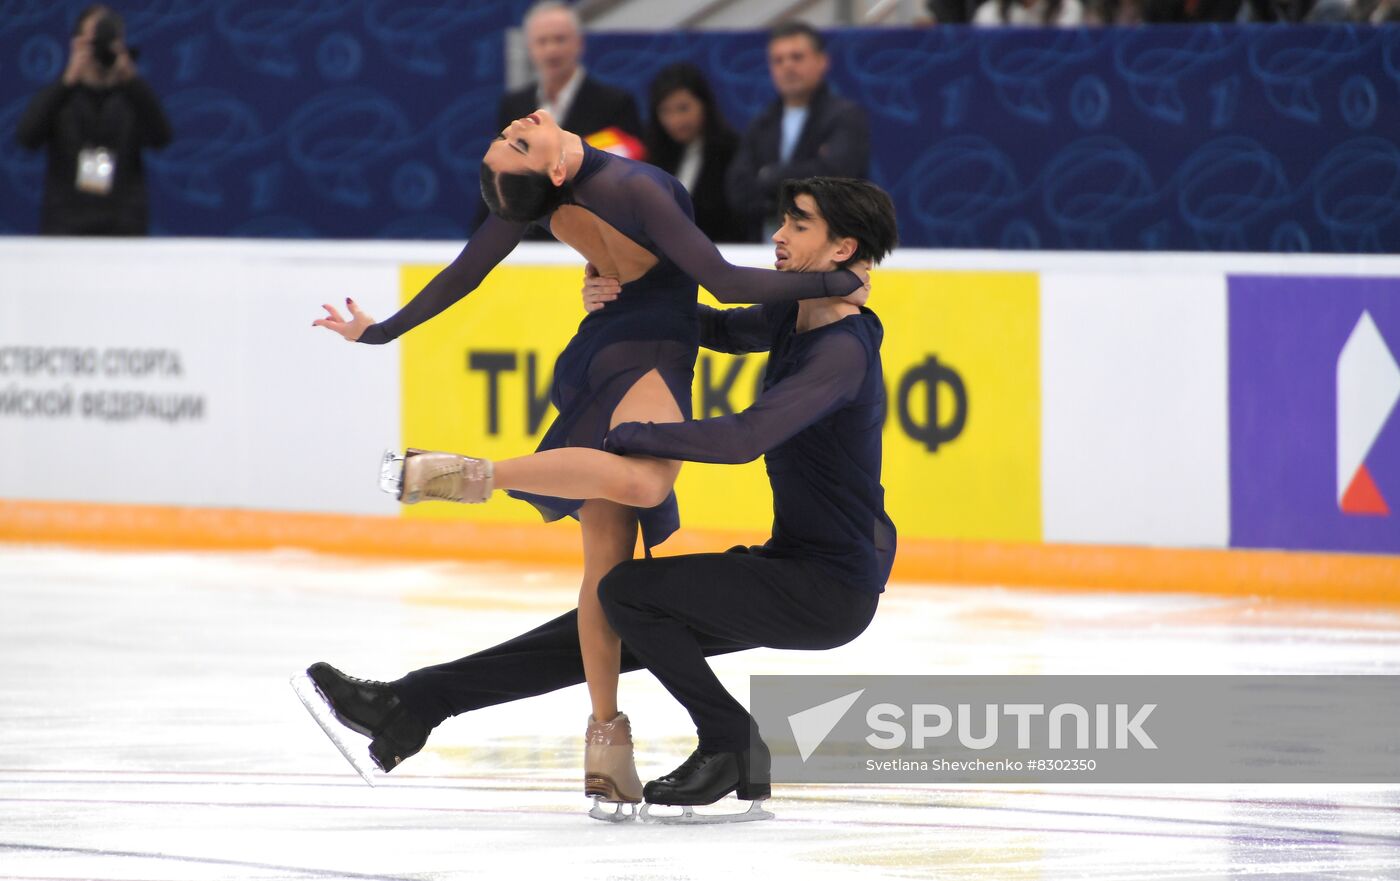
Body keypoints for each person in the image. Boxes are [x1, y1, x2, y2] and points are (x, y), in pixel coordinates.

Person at [308, 109, 867, 817]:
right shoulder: (637, 193)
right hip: (648, 360)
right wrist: (831, 284)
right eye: (512, 140)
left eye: (509, 137)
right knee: (631, 540)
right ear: (554, 170)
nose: (514, 126)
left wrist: (382, 332)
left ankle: (576, 742)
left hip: (615, 362)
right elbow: (722, 298)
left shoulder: (839, 350)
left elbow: (470, 271)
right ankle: (476, 482)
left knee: (609, 587)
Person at [15, 4, 172, 236]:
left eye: (109, 40)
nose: (101, 48)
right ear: (77, 43)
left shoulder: (133, 96)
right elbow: (27, 138)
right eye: (94, 41)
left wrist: (131, 80)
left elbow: (162, 137)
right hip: (67, 224)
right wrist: (68, 79)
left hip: (123, 225)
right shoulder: (61, 97)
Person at [725, 22, 869, 243]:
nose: (788, 66)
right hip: (765, 250)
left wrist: (768, 177)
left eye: (797, 57)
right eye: (778, 60)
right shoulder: (761, 123)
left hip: (829, 248)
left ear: (822, 61)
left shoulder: (846, 116)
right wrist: (795, 188)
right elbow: (738, 190)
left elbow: (836, 178)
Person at [643, 63, 744, 244]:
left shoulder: (731, 152)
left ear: (704, 105)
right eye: (666, 111)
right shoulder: (652, 156)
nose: (676, 120)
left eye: (683, 108)